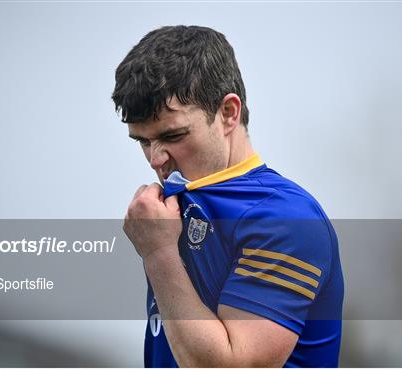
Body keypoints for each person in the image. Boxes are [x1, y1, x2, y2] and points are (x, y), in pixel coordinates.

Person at [112, 25, 344, 368]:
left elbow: (232, 364)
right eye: (143, 141)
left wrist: (159, 254)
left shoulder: (285, 217)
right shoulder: (172, 207)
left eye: (173, 135)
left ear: (228, 113)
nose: (155, 159)